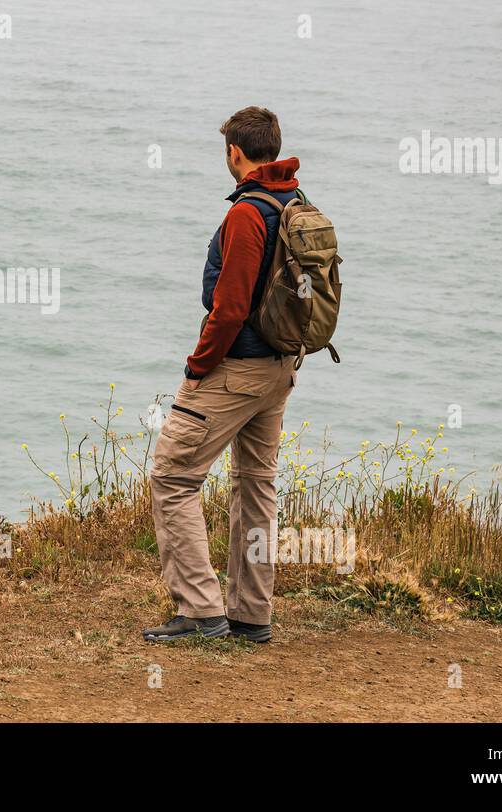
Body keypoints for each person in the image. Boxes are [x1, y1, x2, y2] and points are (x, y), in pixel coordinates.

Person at [143, 106, 301, 644]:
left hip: (235, 372)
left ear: (234, 152)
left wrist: (198, 365)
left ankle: (200, 610)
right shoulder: (296, 203)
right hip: (281, 369)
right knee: (257, 486)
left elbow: (230, 308)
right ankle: (252, 615)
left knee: (172, 475)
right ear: (273, 149)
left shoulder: (245, 214)